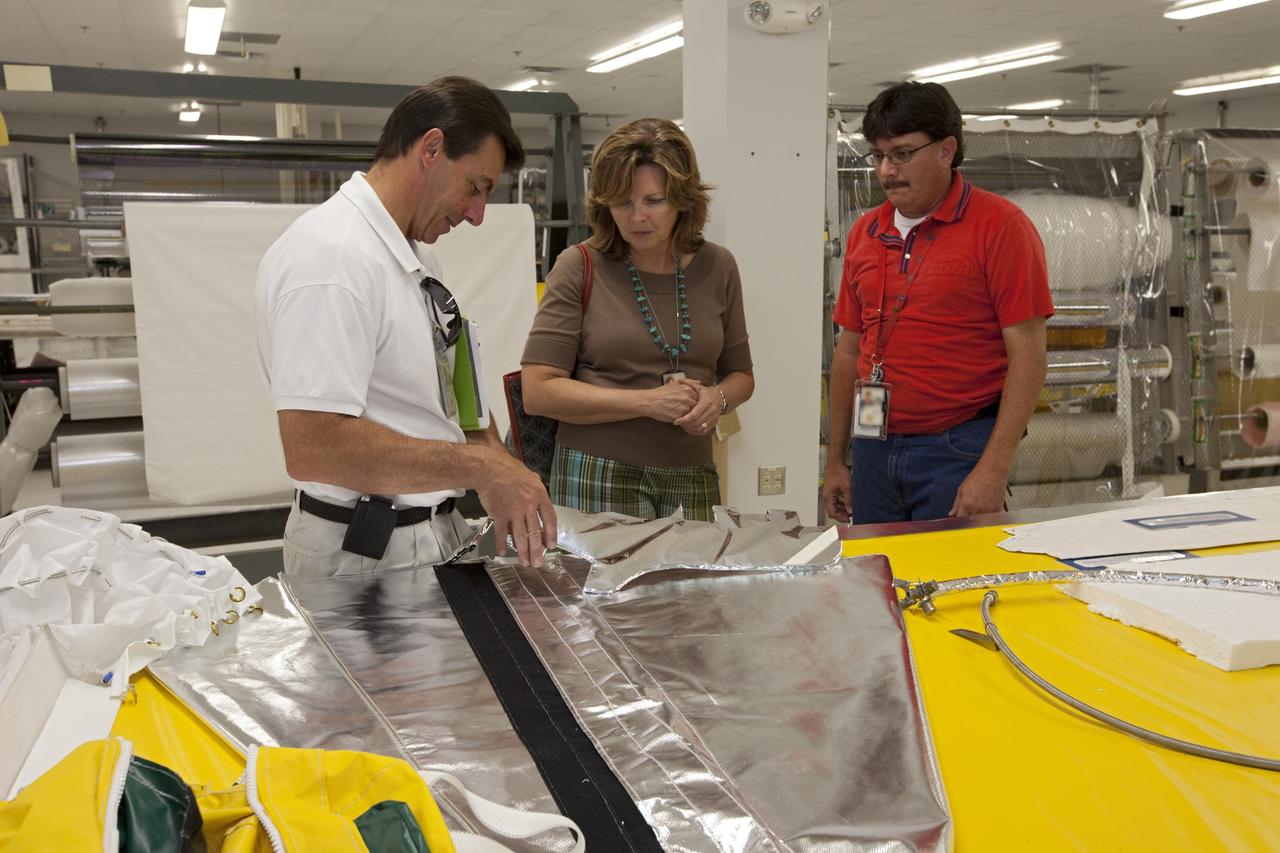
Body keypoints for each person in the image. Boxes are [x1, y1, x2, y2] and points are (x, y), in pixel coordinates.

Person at [256, 76, 556, 575]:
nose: (478, 215)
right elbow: (315, 447)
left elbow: (452, 389)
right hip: (364, 553)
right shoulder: (333, 260)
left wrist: (499, 466)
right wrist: (484, 468)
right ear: (432, 149)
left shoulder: (418, 261)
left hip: (428, 533)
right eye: (476, 188)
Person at [821, 82, 1053, 524]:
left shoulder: (1001, 228)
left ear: (946, 150)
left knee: (954, 584)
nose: (887, 171)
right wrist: (835, 460)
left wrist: (993, 468)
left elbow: (1029, 358)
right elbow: (850, 350)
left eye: (903, 154)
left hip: (958, 447)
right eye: (878, 156)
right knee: (877, 582)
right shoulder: (865, 233)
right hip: (873, 439)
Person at [520, 118, 754, 521]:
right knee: (605, 586)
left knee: (691, 586)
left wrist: (717, 400)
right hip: (596, 473)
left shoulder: (719, 266)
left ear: (683, 199)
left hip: (692, 473)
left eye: (653, 201)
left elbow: (741, 376)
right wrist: (647, 403)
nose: (636, 217)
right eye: (623, 202)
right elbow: (538, 391)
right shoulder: (579, 265)